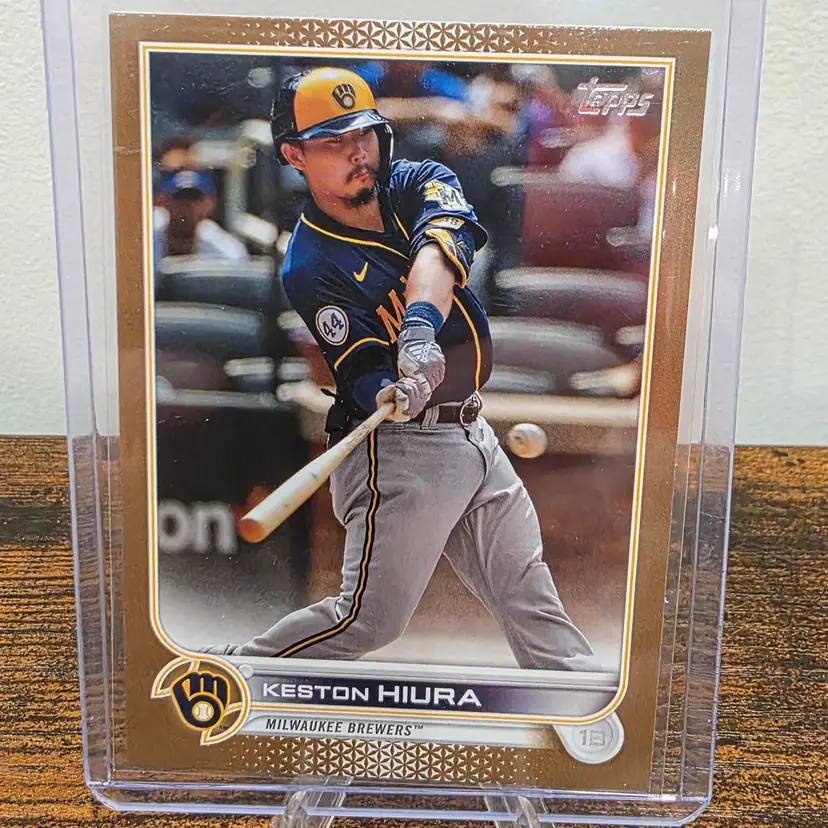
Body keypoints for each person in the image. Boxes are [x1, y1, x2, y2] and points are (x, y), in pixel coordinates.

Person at [203, 67, 597, 672]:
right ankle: (228, 673)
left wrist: (417, 328)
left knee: (527, 593)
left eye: (363, 134)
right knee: (368, 621)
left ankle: (586, 708)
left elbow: (440, 250)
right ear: (294, 156)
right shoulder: (308, 264)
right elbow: (357, 365)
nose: (356, 153)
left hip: (472, 431)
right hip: (398, 448)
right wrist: (388, 388)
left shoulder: (417, 180)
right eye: (333, 142)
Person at [153, 167, 248, 275]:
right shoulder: (149, 234)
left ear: (209, 205)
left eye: (194, 199)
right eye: (179, 198)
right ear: (165, 202)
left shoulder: (219, 246)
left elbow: (237, 259)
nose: (188, 206)